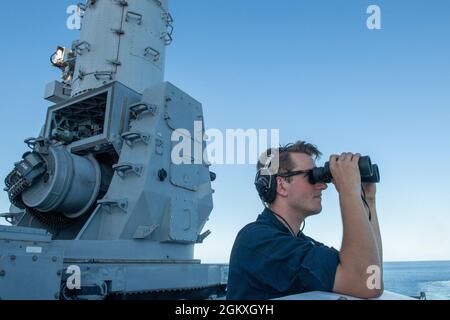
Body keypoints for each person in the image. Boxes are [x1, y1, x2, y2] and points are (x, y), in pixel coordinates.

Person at [226, 141, 383, 300]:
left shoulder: (299, 242)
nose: (323, 186)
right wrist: (349, 191)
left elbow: (370, 273)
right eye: (311, 176)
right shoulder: (257, 241)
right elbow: (366, 283)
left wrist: (368, 200)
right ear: (281, 185)